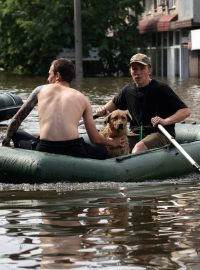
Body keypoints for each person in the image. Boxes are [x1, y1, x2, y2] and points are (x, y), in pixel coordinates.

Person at [2, 58, 125, 159]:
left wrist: (6, 142)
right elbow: (94, 138)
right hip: (74, 149)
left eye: (49, 74)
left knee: (17, 134)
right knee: (102, 151)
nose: (47, 78)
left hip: (45, 147)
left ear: (57, 76)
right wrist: (112, 142)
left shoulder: (40, 90)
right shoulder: (82, 98)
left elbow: (15, 121)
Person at [96, 53, 191, 153]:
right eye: (134, 69)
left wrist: (165, 121)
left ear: (149, 69)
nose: (138, 72)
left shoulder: (161, 89)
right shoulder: (127, 91)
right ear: (130, 71)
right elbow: (109, 107)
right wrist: (102, 109)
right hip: (135, 133)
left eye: (142, 68)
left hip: (160, 133)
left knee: (138, 148)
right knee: (110, 144)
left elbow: (186, 111)